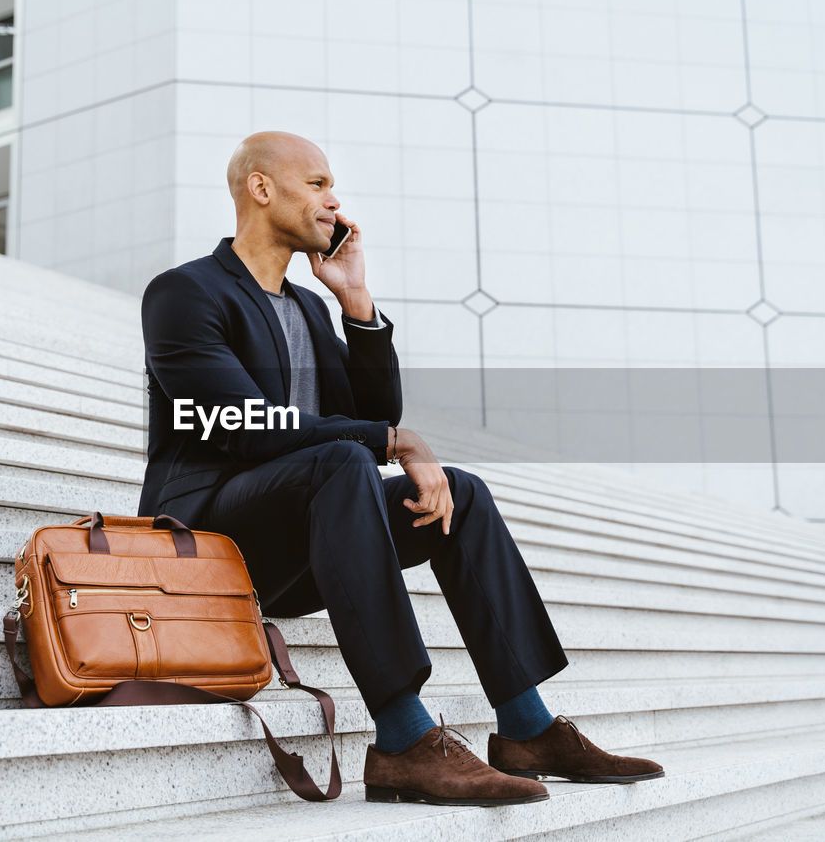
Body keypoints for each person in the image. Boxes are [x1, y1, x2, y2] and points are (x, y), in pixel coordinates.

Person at [138, 130, 663, 806]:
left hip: (307, 533)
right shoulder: (186, 293)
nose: (334, 200)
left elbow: (371, 412)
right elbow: (237, 426)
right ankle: (402, 737)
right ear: (261, 188)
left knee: (460, 496)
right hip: (211, 537)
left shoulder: (307, 308)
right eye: (319, 183)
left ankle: (527, 725)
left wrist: (355, 303)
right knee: (340, 460)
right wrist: (392, 440)